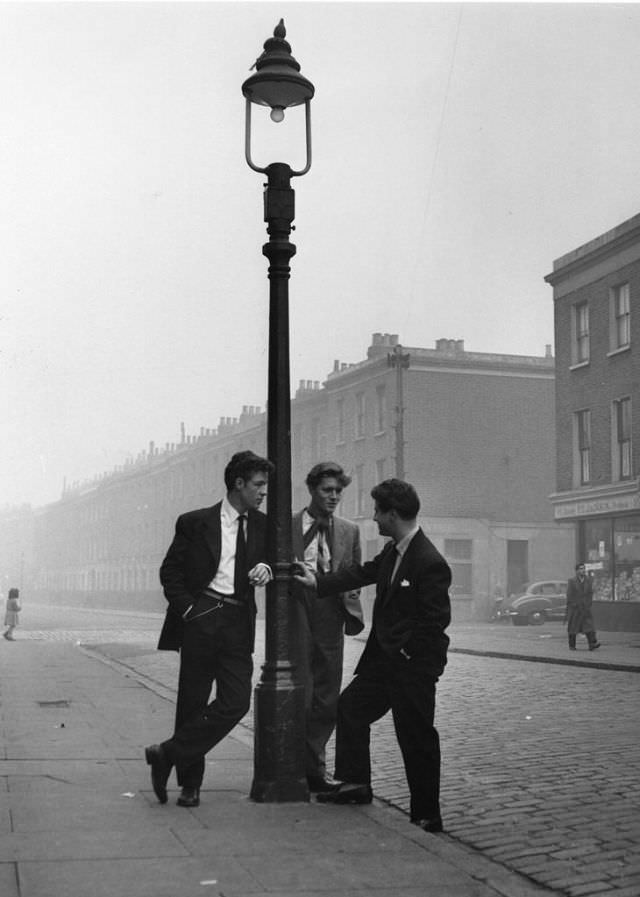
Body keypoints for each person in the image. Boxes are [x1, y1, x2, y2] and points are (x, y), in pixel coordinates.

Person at [294, 478, 451, 833]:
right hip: (385, 665)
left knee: (416, 737)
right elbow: (361, 573)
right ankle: (355, 785)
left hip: (411, 668)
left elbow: (435, 623)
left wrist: (406, 655)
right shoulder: (394, 551)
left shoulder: (429, 561)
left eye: (378, 512)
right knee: (350, 709)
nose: (375, 518)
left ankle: (427, 814)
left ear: (393, 514)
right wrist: (318, 583)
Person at [145, 450, 274, 808]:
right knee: (193, 701)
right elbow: (170, 572)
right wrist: (190, 610)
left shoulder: (263, 525)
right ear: (239, 483)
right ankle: (190, 786)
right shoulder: (195, 522)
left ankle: (166, 754)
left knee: (236, 702)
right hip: (202, 617)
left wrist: (266, 568)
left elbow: (274, 560)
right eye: (259, 484)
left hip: (238, 621)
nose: (264, 492)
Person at [292, 462, 364, 793]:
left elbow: (355, 573)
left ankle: (314, 768)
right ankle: (293, 764)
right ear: (312, 490)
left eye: (338, 491)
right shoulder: (288, 525)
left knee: (327, 694)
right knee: (300, 689)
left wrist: (345, 599)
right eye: (327, 490)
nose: (334, 496)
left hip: (330, 611)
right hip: (297, 608)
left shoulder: (350, 530)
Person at [566, 563, 600, 651]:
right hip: (575, 608)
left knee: (589, 626)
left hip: (585, 608)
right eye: (581, 569)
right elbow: (569, 595)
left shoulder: (588, 580)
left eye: (584, 568)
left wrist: (588, 603)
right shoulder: (572, 581)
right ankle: (572, 645)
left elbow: (590, 593)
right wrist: (574, 604)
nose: (583, 570)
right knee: (573, 627)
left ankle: (592, 644)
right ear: (577, 571)